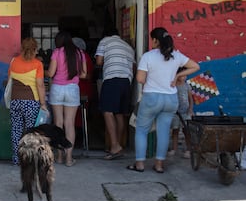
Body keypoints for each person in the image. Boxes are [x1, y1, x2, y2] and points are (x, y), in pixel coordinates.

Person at [126, 27, 199, 173]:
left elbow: (140, 79)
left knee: (141, 130)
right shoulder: (177, 56)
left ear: (156, 40)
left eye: (152, 39)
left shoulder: (148, 56)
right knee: (164, 132)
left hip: (152, 98)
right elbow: (195, 66)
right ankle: (159, 165)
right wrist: (178, 76)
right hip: (171, 99)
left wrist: (151, 80)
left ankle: (139, 164)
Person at [47, 31, 86, 167]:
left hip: (57, 88)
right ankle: (69, 158)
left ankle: (58, 156)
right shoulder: (79, 53)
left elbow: (51, 73)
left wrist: (45, 71)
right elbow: (83, 74)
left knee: (58, 123)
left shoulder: (57, 52)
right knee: (70, 124)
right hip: (72, 89)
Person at [95, 28, 135, 160]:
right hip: (126, 82)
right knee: (119, 113)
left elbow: (99, 61)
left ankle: (114, 145)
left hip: (112, 79)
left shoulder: (105, 41)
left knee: (107, 111)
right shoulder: (128, 47)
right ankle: (118, 145)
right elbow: (133, 67)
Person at [8, 37, 47, 165]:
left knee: (16, 129)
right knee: (31, 132)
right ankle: (30, 159)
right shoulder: (38, 64)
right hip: (31, 101)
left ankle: (16, 158)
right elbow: (40, 85)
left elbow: (10, 80)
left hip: (15, 100)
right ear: (35, 49)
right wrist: (43, 103)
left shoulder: (13, 61)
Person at [168, 67, 194, 159]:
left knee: (186, 131)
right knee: (175, 131)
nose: (184, 77)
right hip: (175, 113)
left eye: (186, 75)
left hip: (185, 113)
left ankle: (188, 150)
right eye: (182, 75)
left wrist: (190, 109)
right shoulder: (173, 86)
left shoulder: (187, 86)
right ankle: (174, 149)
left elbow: (191, 99)